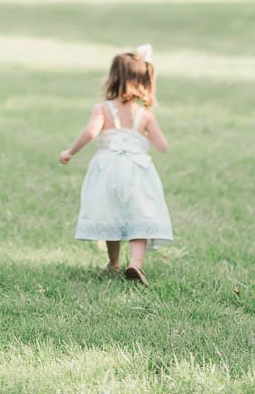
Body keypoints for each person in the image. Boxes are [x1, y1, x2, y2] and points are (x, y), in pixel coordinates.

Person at [59, 44, 172, 285]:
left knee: (112, 213)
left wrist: (70, 151)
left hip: (108, 168)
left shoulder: (103, 109)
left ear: (113, 79)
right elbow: (162, 145)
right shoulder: (145, 115)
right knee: (139, 213)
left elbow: (90, 133)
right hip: (137, 170)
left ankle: (113, 263)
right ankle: (135, 264)